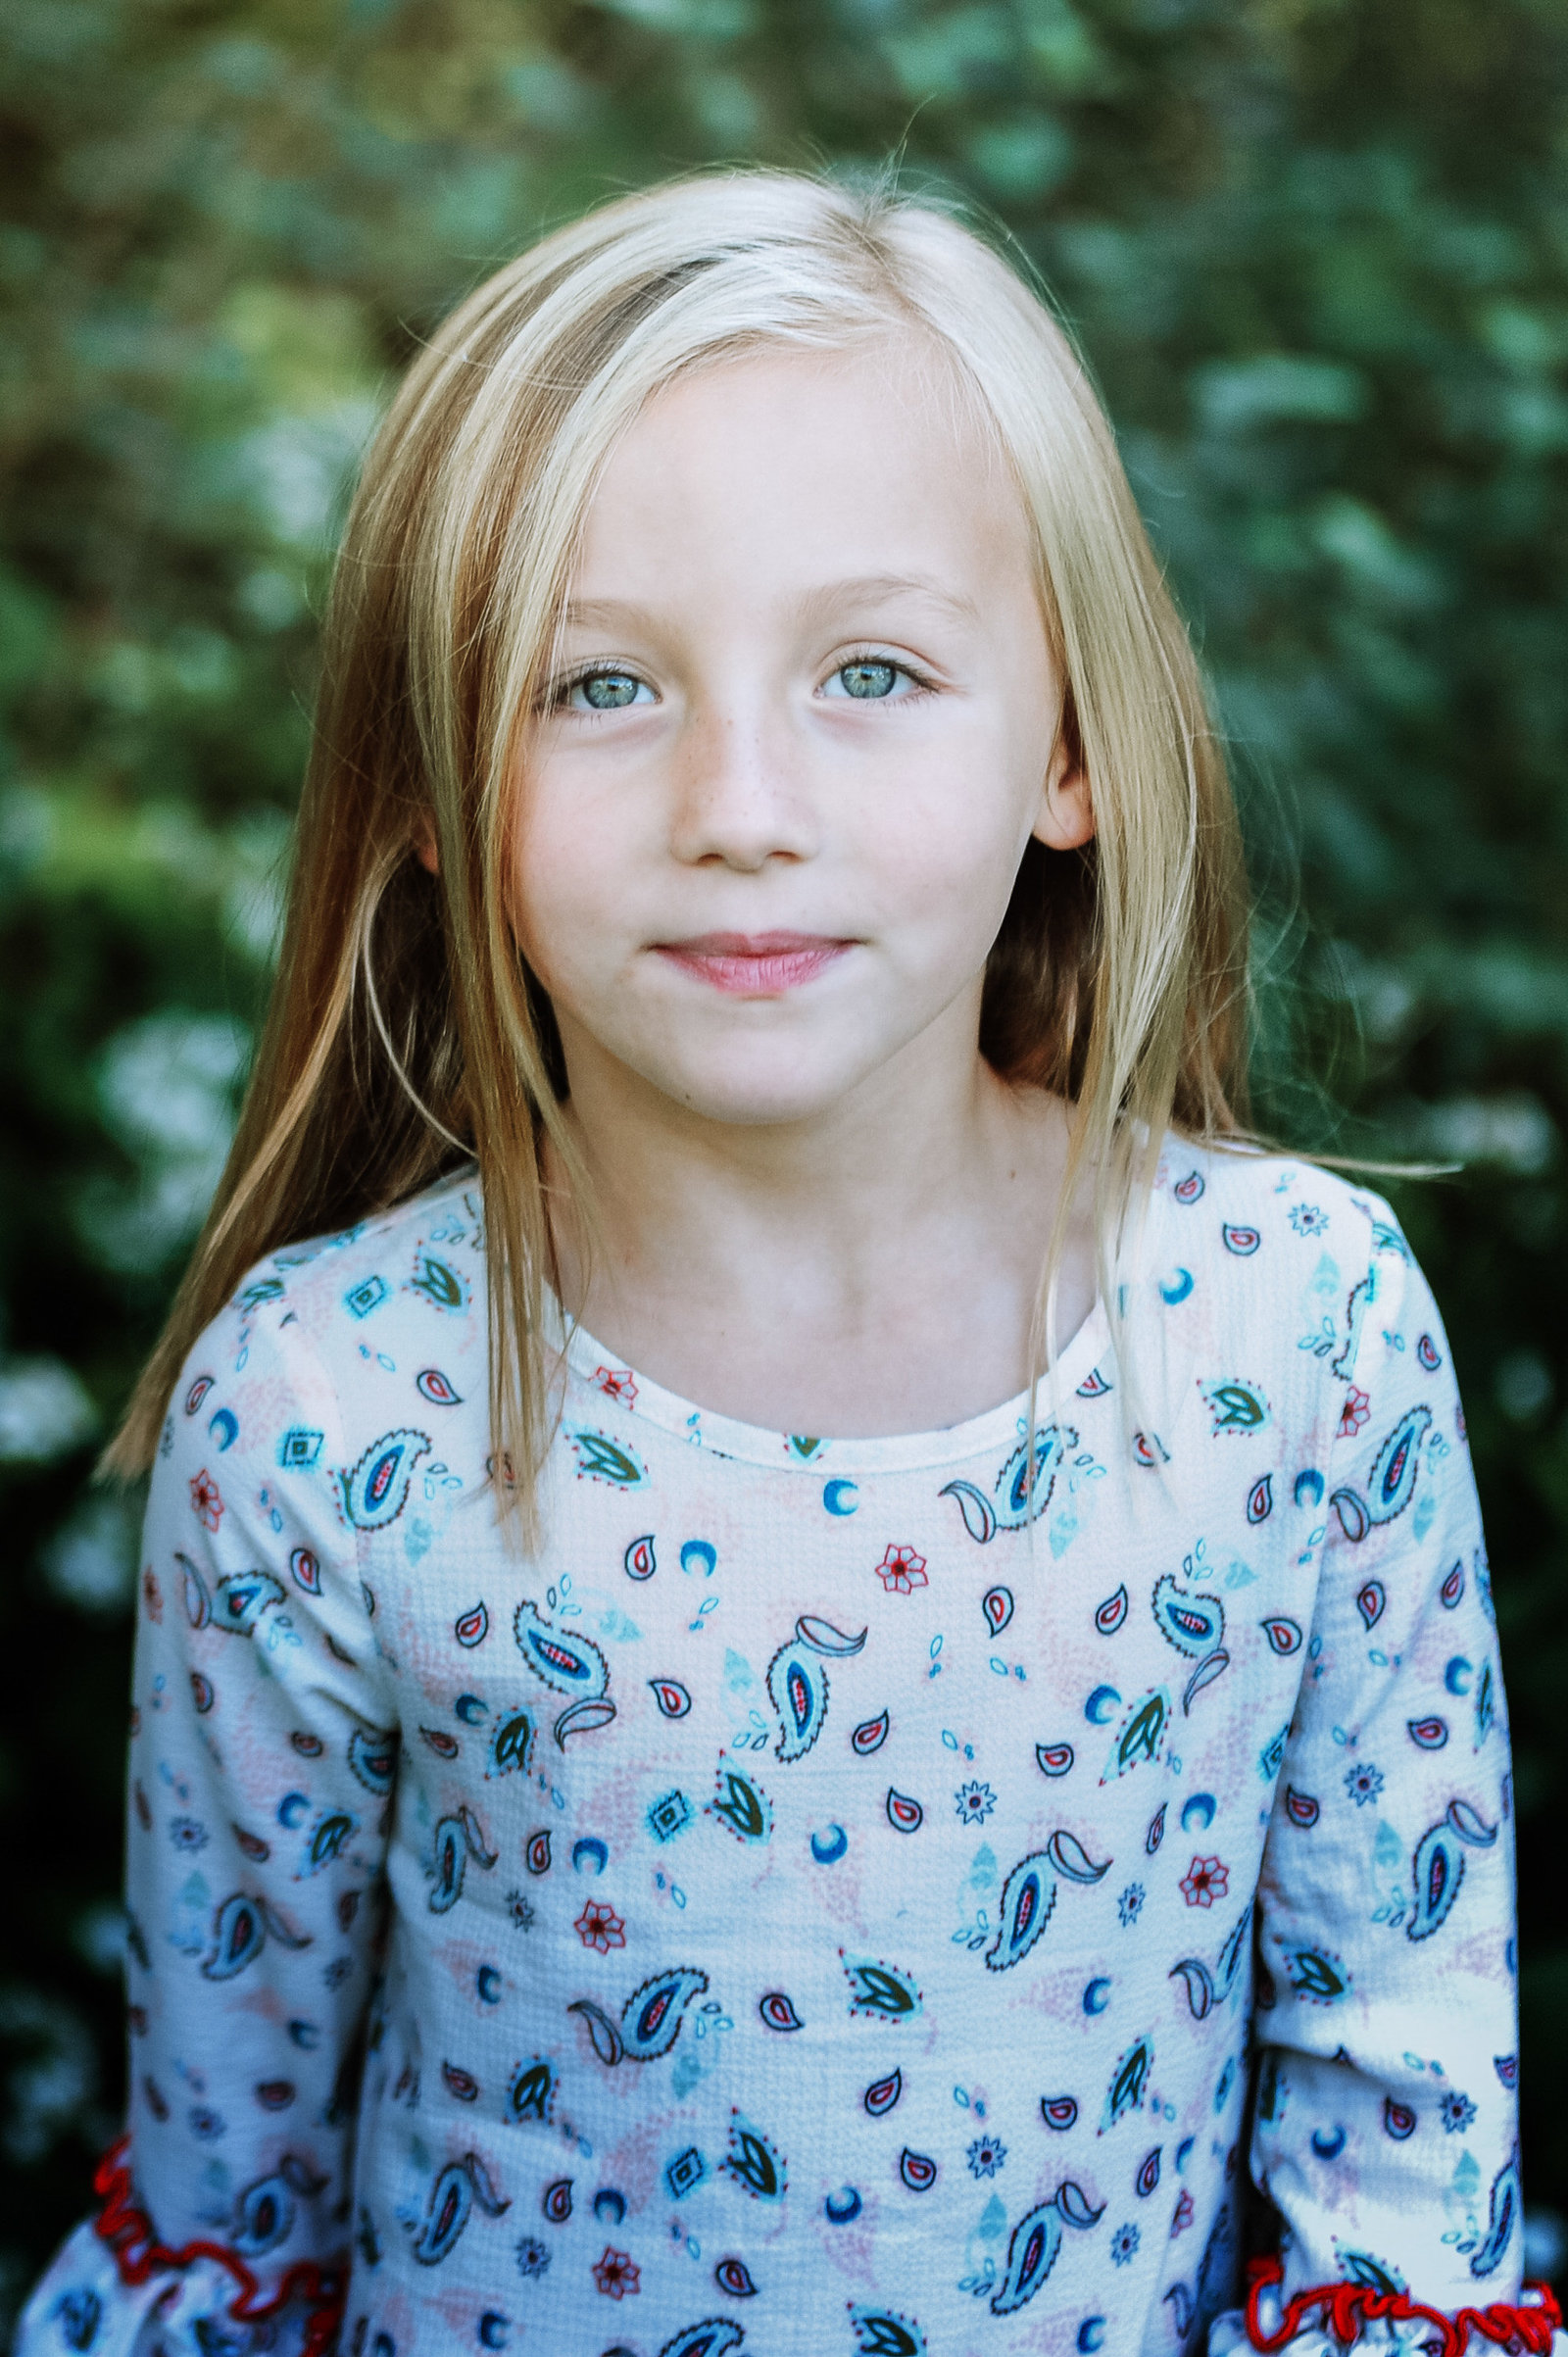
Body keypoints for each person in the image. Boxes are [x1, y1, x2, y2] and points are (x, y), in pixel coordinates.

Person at [16, 169, 1550, 2357]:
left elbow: (1397, 2172)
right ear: (437, 784)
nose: (739, 800)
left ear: (1069, 750)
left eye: (868, 669)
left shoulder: (1291, 1333)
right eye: (597, 686)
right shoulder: (331, 1403)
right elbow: (225, 2186)